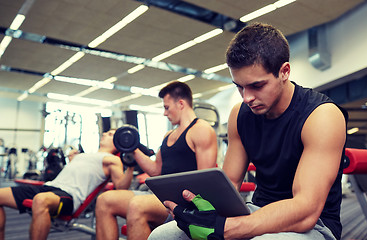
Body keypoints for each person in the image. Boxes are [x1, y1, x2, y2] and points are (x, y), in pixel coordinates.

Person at [148, 22, 348, 240]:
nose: (246, 98)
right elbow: (229, 185)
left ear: (284, 72)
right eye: (239, 86)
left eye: (257, 86)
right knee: (162, 236)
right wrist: (195, 211)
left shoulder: (322, 116)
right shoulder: (240, 114)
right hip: (257, 210)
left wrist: (228, 229)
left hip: (315, 225)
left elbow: (306, 211)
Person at [95, 81, 218, 240]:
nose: (164, 113)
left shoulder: (201, 129)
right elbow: (155, 170)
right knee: (104, 200)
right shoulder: (168, 135)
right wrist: (132, 148)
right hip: (160, 197)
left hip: (182, 203)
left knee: (137, 205)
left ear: (181, 104)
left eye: (167, 107)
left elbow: (205, 180)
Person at [0, 129, 134, 240]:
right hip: (48, 186)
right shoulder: (84, 155)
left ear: (118, 142)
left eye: (110, 134)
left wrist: (130, 166)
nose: (105, 134)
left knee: (40, 200)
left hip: (68, 195)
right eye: (106, 132)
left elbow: (121, 187)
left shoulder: (112, 160)